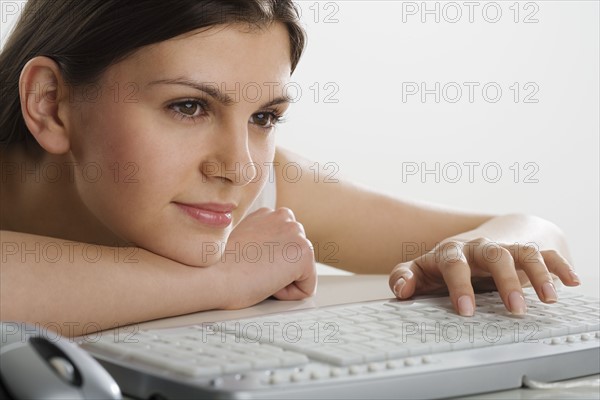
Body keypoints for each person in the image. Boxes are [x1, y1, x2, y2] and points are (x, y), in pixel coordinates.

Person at [0, 0, 579, 338]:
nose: (237, 167)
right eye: (188, 106)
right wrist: (223, 279)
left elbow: (528, 227)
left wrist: (476, 249)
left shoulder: (260, 185)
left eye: (263, 116)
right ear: (51, 102)